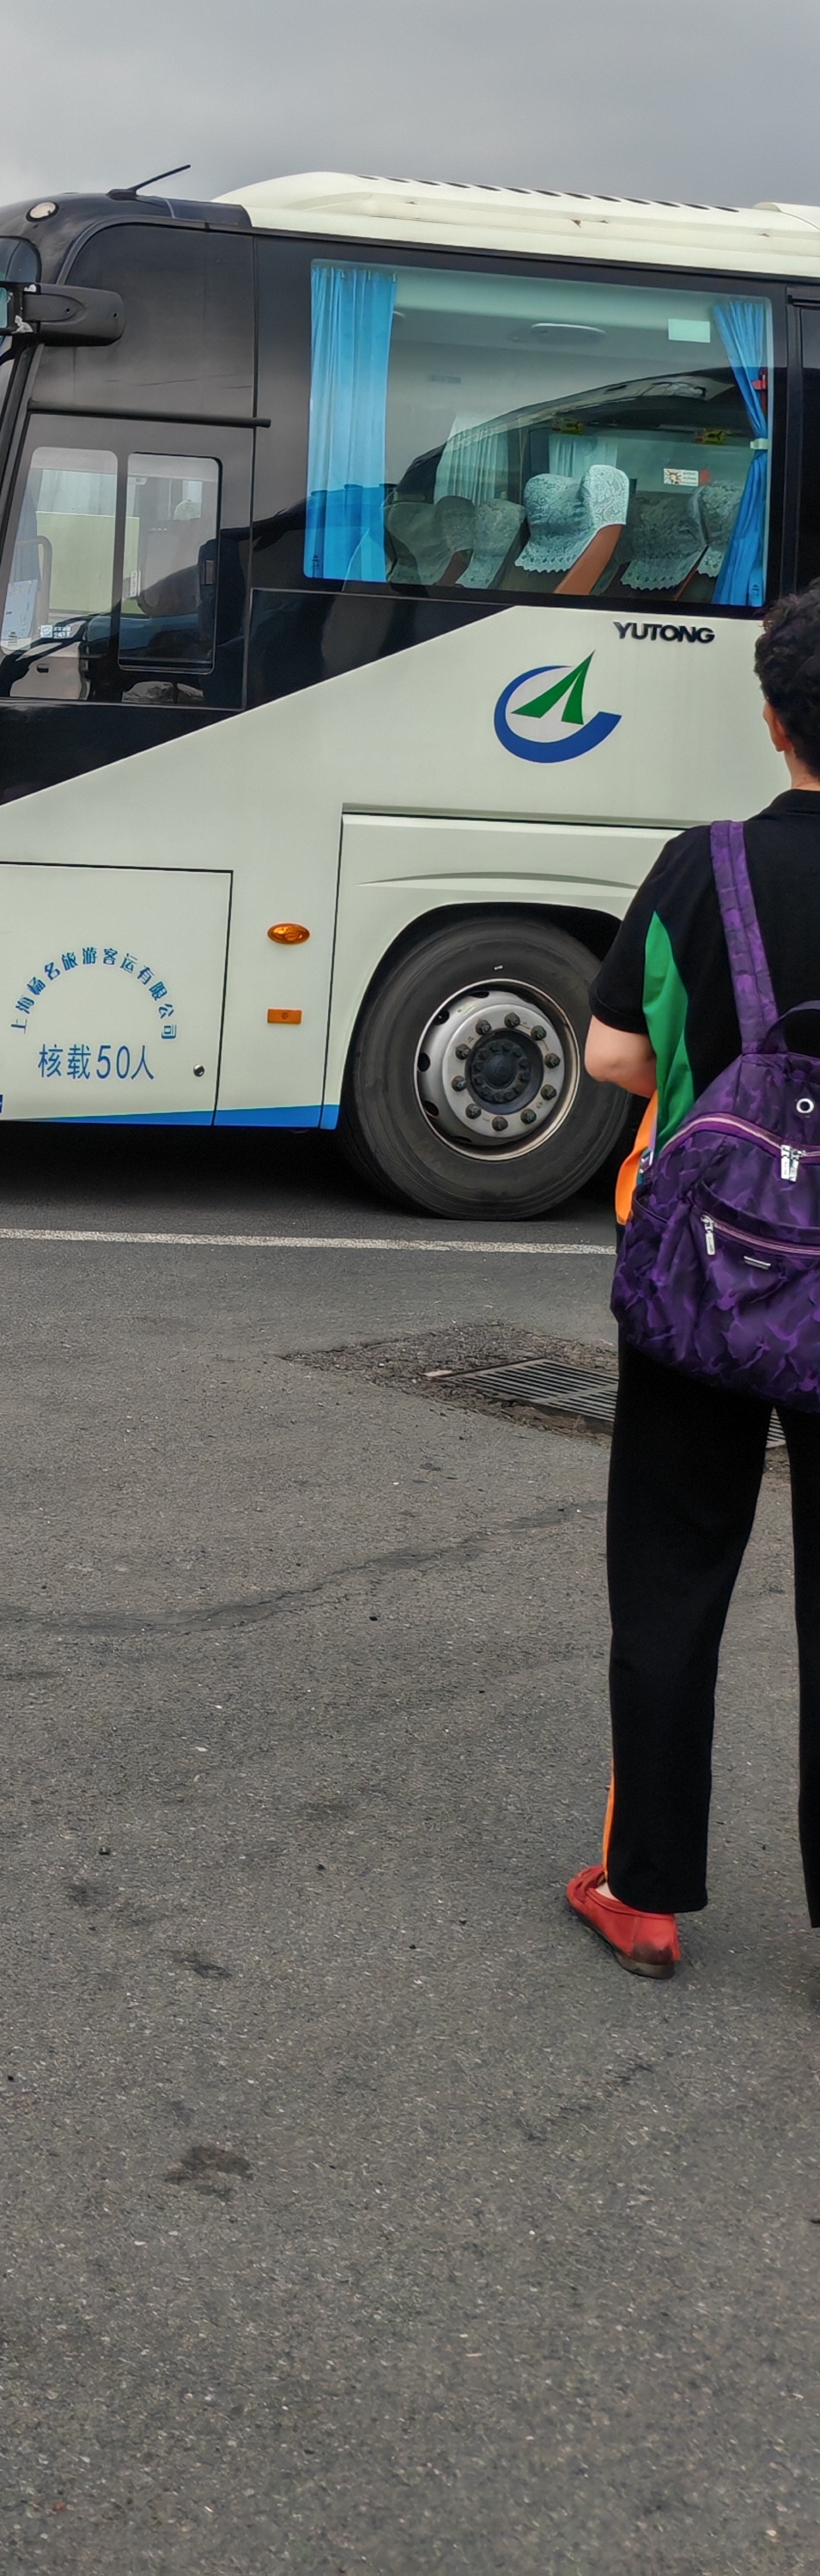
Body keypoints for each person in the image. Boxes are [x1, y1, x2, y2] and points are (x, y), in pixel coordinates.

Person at [573, 582, 820, 1978]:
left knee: (671, 1574)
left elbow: (611, 1059)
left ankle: (645, 1887)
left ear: (773, 717)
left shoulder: (703, 865)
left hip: (708, 1279)